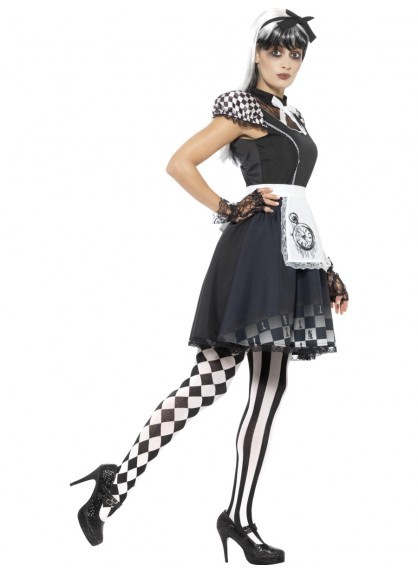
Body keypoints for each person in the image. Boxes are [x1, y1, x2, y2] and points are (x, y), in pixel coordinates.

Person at [70, 7, 349, 565]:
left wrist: (327, 267)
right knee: (219, 382)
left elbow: (297, 202)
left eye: (295, 54)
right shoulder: (243, 108)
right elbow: (180, 163)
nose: (286, 62)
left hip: (294, 257)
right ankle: (135, 488)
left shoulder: (292, 116)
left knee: (262, 388)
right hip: (257, 257)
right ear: (257, 54)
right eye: (276, 51)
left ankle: (212, 509)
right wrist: (228, 206)